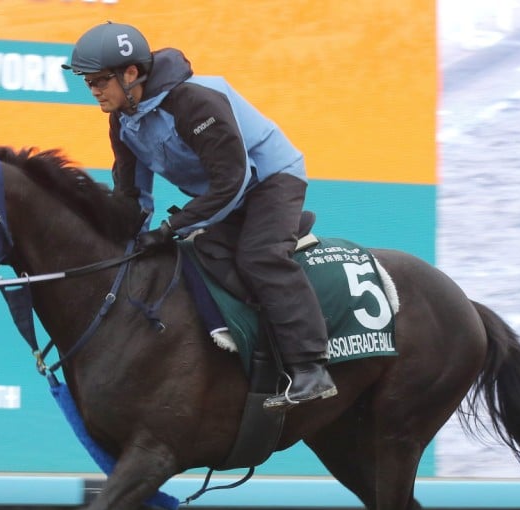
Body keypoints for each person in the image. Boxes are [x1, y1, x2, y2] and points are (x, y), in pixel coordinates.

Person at [63, 21, 337, 412]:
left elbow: (232, 180)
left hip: (271, 181)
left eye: (99, 80)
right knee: (194, 256)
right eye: (87, 82)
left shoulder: (194, 102)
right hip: (226, 193)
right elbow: (133, 196)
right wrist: (117, 235)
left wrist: (172, 227)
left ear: (130, 74)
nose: (93, 91)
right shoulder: (121, 121)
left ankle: (311, 369)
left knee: (259, 256)